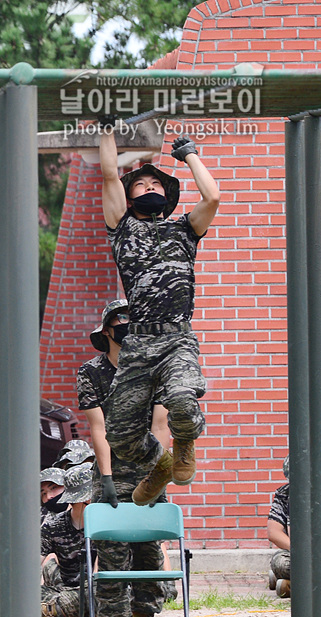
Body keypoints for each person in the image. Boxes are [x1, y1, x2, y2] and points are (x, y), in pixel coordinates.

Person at [97, 126, 220, 507]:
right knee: (119, 433)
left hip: (176, 338)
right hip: (138, 344)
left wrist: (190, 154)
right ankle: (161, 463)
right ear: (130, 196)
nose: (149, 186)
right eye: (141, 183)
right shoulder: (122, 229)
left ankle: (184, 445)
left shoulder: (185, 230)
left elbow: (213, 195)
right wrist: (105, 131)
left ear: (167, 196)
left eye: (156, 183)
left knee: (182, 400)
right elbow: (107, 175)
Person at [76, 297, 176, 617]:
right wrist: (105, 478)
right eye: (122, 320)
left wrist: (157, 476)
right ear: (107, 329)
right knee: (113, 552)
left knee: (149, 552)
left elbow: (161, 424)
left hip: (149, 473)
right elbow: (97, 428)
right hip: (112, 473)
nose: (129, 326)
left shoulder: (154, 370)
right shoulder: (91, 372)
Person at [40, 463, 94, 617]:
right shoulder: (53, 525)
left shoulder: (105, 524)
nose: (48, 496)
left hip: (96, 591)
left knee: (105, 596)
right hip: (64, 587)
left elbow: (99, 580)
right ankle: (58, 607)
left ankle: (52, 609)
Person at [267, 457, 291, 598]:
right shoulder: (284, 493)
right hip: (297, 554)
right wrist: (301, 553)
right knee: (280, 562)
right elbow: (273, 532)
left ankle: (289, 584)